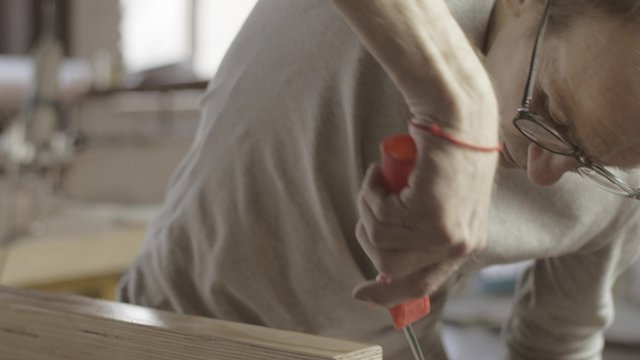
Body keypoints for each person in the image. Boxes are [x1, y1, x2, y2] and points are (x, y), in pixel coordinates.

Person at [117, 0, 640, 359]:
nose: (543, 172)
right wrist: (460, 107)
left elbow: (559, 342)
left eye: (590, 161)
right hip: (175, 337)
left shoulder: (624, 166)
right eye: (547, 106)